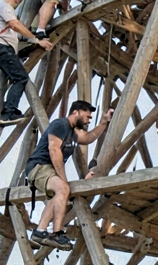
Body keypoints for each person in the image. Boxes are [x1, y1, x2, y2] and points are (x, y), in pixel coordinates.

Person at [23, 100, 113, 249]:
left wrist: (103, 123)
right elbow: (54, 150)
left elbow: (89, 137)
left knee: (60, 194)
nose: (88, 121)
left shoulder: (72, 132)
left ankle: (40, 231)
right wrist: (63, 179)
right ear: (75, 112)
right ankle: (56, 233)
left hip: (47, 170)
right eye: (87, 117)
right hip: (39, 167)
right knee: (63, 189)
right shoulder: (61, 125)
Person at [0, 0, 54, 126]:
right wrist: (36, 39)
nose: (20, 2)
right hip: (2, 49)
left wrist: (34, 40)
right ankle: (8, 113)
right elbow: (15, 25)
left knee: (15, 77)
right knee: (21, 78)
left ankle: (8, 108)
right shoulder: (4, 8)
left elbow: (15, 33)